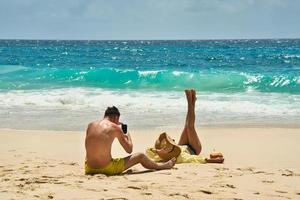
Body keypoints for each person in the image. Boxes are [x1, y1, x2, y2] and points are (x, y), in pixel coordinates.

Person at [85, 106, 176, 176]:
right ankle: (162, 166)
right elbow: (129, 149)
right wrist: (127, 133)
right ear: (116, 118)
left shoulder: (91, 125)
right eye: (118, 120)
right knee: (140, 156)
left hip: (88, 168)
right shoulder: (115, 127)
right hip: (106, 168)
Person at [151, 89, 224, 163]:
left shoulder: (159, 156)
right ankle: (189, 101)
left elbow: (148, 151)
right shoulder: (180, 158)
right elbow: (196, 159)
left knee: (186, 126)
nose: (173, 140)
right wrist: (214, 160)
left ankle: (193, 101)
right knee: (189, 126)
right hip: (194, 148)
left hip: (180, 145)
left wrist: (158, 151)